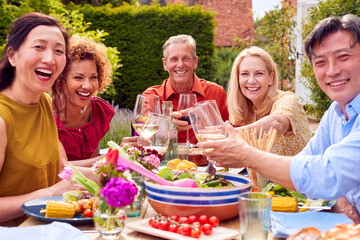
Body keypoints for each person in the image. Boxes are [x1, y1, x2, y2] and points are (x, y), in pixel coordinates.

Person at [198, 14, 360, 223]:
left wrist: (241, 149)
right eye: (320, 62)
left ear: (271, 77)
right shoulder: (335, 113)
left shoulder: (286, 99)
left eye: (343, 57)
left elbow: (325, 173)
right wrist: (340, 195)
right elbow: (309, 162)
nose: (332, 71)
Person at [0, 12, 80, 226]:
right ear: (12, 56)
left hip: (52, 228)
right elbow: (56, 187)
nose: (50, 59)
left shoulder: (44, 101)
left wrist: (114, 169)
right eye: (39, 47)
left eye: (58, 51)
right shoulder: (1, 119)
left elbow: (62, 168)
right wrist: (50, 192)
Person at [52, 35, 137, 167]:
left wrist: (119, 155)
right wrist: (115, 155)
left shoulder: (96, 110)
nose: (88, 85)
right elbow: (60, 168)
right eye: (78, 77)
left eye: (93, 77)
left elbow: (93, 165)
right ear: (61, 79)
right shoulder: (47, 115)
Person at [143, 34, 229, 144]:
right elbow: (146, 133)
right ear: (165, 64)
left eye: (186, 58)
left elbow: (234, 132)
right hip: (166, 161)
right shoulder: (152, 96)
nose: (180, 64)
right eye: (174, 59)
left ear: (195, 62)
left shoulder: (216, 93)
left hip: (208, 160)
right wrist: (170, 125)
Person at [227, 46, 312, 156]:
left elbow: (276, 123)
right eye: (244, 74)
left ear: (271, 78)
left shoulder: (288, 99)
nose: (251, 80)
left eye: (259, 73)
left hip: (293, 173)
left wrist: (231, 134)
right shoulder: (250, 109)